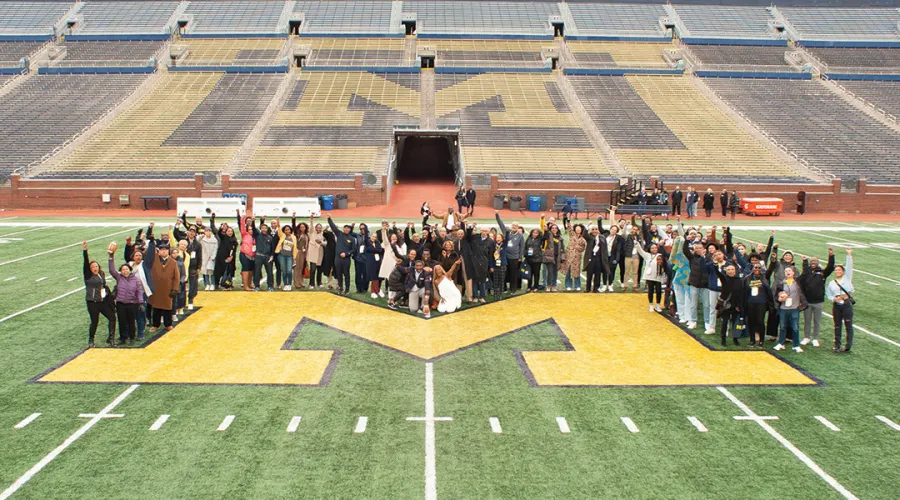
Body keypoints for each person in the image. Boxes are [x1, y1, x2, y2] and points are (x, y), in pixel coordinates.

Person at [108, 243, 143, 346]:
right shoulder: (119, 278)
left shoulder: (135, 280)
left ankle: (132, 337)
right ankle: (123, 338)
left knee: (131, 322)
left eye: (126, 269)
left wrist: (140, 302)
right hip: (121, 304)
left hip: (132, 304)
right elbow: (111, 270)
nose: (125, 271)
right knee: (122, 322)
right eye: (123, 270)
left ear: (130, 270)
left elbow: (138, 292)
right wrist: (111, 257)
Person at [798, 249, 835, 348]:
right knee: (807, 320)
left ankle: (815, 338)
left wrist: (831, 255)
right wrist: (804, 261)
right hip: (808, 301)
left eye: (814, 261)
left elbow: (830, 267)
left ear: (818, 262)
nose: (813, 263)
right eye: (811, 261)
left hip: (818, 301)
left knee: (817, 321)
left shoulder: (822, 273)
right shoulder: (807, 272)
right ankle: (806, 337)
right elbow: (803, 273)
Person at [82, 241, 116, 347]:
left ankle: (111, 339)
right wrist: (85, 251)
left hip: (103, 301)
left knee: (112, 317)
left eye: (96, 266)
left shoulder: (101, 273)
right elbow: (85, 263)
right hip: (93, 302)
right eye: (92, 267)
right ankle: (91, 340)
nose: (95, 268)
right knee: (94, 322)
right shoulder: (88, 275)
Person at [146, 236, 179, 333]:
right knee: (156, 308)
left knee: (167, 308)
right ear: (158, 251)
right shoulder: (154, 259)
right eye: (161, 250)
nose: (163, 251)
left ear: (168, 251)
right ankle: (155, 325)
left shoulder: (173, 262)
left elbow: (176, 277)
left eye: (165, 250)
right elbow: (149, 254)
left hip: (167, 289)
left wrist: (175, 289)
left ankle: (168, 324)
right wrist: (151, 242)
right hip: (156, 288)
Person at [826, 248, 854, 353]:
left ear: (843, 271)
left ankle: (848, 346)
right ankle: (837, 345)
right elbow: (828, 294)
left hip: (846, 305)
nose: (837, 272)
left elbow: (850, 268)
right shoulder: (832, 282)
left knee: (848, 325)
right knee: (837, 325)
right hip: (836, 305)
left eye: (839, 270)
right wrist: (834, 298)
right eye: (836, 270)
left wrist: (849, 255)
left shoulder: (847, 278)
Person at [774, 266, 806, 353]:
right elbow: (776, 296)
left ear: (793, 273)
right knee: (783, 327)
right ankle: (781, 343)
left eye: (789, 271)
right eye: (786, 271)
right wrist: (779, 299)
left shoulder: (798, 282)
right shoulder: (781, 283)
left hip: (794, 308)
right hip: (783, 308)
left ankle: (796, 345)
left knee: (795, 327)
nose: (787, 272)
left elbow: (804, 274)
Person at [743, 262, 773, 348]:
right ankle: (752, 340)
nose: (757, 269)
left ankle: (761, 341)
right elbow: (744, 291)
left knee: (760, 321)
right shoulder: (747, 278)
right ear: (752, 268)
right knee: (751, 321)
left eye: (759, 268)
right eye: (755, 268)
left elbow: (771, 268)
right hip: (750, 302)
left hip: (761, 303)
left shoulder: (764, 278)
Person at [714, 262, 744, 346]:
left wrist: (739, 306)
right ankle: (723, 339)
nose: (731, 271)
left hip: (735, 305)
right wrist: (715, 265)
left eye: (732, 269)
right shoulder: (724, 278)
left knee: (735, 323)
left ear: (735, 271)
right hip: (726, 305)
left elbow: (740, 294)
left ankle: (735, 338)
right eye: (729, 270)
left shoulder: (739, 280)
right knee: (725, 322)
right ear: (726, 271)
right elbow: (718, 273)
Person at [496, 212, 525, 294]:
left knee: (513, 274)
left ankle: (513, 289)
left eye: (516, 226)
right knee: (504, 273)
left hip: (514, 258)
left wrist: (520, 257)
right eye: (513, 225)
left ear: (518, 227)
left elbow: (522, 246)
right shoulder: (507, 232)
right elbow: (500, 224)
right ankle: (504, 288)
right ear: (511, 226)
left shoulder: (520, 236)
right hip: (505, 257)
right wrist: (497, 215)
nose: (514, 227)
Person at [636, 242, 668, 312]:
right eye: (652, 248)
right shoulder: (647, 255)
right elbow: (640, 251)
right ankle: (651, 304)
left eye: (655, 248)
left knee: (658, 291)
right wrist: (637, 244)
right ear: (649, 249)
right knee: (650, 290)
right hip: (649, 276)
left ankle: (658, 305)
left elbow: (664, 265)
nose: (654, 249)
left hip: (658, 276)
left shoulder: (660, 255)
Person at [327, 214, 355, 295]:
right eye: (345, 228)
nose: (346, 229)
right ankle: (340, 288)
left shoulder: (352, 239)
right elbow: (333, 227)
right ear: (343, 229)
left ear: (350, 230)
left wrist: (346, 254)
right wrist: (329, 218)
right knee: (338, 274)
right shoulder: (339, 234)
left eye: (348, 228)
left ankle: (347, 289)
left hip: (346, 259)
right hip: (337, 258)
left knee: (346, 274)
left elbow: (353, 249)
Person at [582, 220, 610, 293]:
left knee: (598, 274)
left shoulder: (602, 237)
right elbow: (584, 234)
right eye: (593, 229)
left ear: (598, 230)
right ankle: (588, 288)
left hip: (599, 258)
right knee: (589, 274)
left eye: (596, 229)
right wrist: (587, 225)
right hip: (591, 258)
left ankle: (596, 288)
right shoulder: (589, 237)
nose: (594, 231)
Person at [211, 214, 236, 290]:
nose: (230, 232)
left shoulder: (234, 241)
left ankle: (227, 285)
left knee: (229, 273)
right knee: (219, 272)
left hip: (229, 259)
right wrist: (222, 228)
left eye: (231, 231)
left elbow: (234, 250)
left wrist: (231, 257)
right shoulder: (223, 238)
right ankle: (217, 284)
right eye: (228, 231)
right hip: (221, 257)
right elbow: (219, 233)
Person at [560, 220, 586, 291]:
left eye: (579, 228)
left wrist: (577, 247)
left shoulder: (582, 239)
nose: (578, 229)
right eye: (577, 228)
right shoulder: (572, 235)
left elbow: (583, 248)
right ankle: (568, 285)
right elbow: (569, 228)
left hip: (577, 257)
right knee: (568, 271)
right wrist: (568, 221)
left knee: (576, 271)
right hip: (569, 256)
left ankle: (577, 285)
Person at [251, 219, 275, 291]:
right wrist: (253, 221)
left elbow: (272, 248)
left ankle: (270, 286)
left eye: (265, 228)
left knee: (269, 272)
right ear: (260, 229)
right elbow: (254, 229)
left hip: (267, 257)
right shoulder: (257, 235)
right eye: (262, 228)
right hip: (259, 256)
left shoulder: (270, 238)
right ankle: (256, 286)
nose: (264, 229)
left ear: (267, 229)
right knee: (257, 272)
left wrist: (272, 255)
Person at [275, 220, 298, 291]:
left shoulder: (293, 237)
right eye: (286, 230)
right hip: (282, 255)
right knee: (284, 271)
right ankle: (285, 284)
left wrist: (294, 257)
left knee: (289, 270)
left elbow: (294, 247)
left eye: (288, 229)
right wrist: (278, 220)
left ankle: (289, 284)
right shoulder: (282, 236)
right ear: (284, 231)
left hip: (290, 256)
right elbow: (279, 228)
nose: (287, 231)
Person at [198, 218, 219, 291]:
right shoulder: (202, 239)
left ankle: (212, 284)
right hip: (204, 256)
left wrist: (213, 256)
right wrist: (200, 236)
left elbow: (216, 248)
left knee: (212, 271)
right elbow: (197, 241)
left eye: (209, 231)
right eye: (206, 231)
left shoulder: (214, 240)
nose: (208, 232)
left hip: (211, 257)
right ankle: (207, 284)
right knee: (205, 271)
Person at [237, 210, 255, 291]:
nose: (251, 230)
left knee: (251, 270)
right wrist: (242, 219)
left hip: (253, 256)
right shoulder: (245, 234)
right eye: (249, 229)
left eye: (252, 229)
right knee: (246, 269)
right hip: (244, 254)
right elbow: (242, 227)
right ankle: (245, 286)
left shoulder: (255, 236)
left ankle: (249, 284)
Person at [364, 230, 384, 298]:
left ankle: (376, 290)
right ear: (370, 236)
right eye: (373, 236)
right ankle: (375, 291)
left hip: (378, 262)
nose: (374, 238)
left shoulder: (377, 242)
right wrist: (376, 249)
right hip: (371, 262)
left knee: (379, 276)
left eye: (375, 237)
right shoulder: (367, 242)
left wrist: (373, 249)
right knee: (373, 276)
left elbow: (380, 250)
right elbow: (369, 249)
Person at [307, 216, 326, 289]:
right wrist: (311, 220)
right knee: (312, 269)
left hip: (320, 253)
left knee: (319, 269)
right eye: (317, 227)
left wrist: (321, 242)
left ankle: (319, 283)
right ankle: (311, 284)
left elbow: (326, 243)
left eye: (320, 228)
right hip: (313, 254)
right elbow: (311, 226)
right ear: (315, 228)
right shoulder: (312, 233)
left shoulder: (323, 234)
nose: (319, 229)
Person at [292, 215, 310, 290]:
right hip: (298, 252)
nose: (302, 228)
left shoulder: (306, 235)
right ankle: (296, 283)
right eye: (301, 227)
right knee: (297, 268)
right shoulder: (297, 234)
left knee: (302, 268)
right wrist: (293, 219)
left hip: (304, 253)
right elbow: (293, 227)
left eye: (304, 227)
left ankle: (301, 282)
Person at [524, 228, 544, 292]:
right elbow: (525, 247)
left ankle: (536, 287)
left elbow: (545, 236)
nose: (535, 234)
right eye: (534, 232)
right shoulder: (529, 238)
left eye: (536, 233)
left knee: (536, 274)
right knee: (529, 274)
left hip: (537, 259)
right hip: (529, 259)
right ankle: (529, 286)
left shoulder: (540, 239)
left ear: (539, 234)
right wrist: (525, 254)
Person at [489, 233, 507, 298]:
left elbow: (507, 236)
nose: (498, 239)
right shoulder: (493, 245)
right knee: (495, 280)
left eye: (499, 237)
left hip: (502, 265)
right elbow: (491, 256)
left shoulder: (504, 245)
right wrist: (491, 266)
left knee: (501, 280)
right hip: (495, 265)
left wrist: (506, 231)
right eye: (497, 237)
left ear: (502, 239)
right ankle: (496, 294)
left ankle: (501, 293)